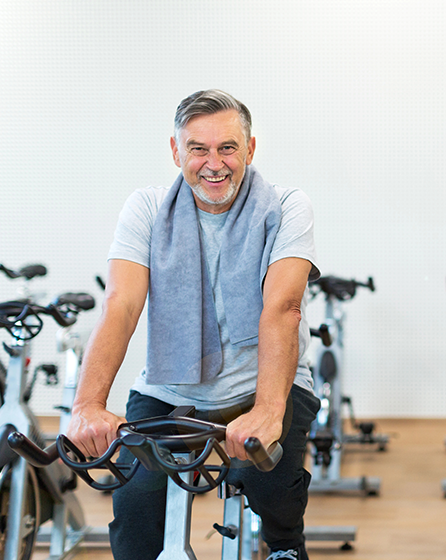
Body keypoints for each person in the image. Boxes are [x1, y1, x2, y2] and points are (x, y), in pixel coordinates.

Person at [66, 89, 321, 560]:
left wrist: (267, 410)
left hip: (263, 386)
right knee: (137, 514)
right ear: (175, 150)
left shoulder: (287, 206)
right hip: (171, 390)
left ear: (250, 149)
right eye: (198, 148)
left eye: (227, 147)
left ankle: (286, 547)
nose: (214, 163)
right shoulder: (146, 208)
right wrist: (87, 404)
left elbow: (283, 306)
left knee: (270, 486)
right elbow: (122, 303)